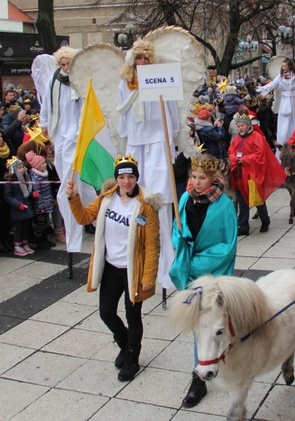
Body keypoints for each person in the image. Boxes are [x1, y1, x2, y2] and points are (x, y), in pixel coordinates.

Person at [67, 154, 161, 382]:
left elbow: (152, 244)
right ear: (116, 178)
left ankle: (132, 358)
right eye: (122, 176)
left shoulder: (146, 206)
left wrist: (148, 276)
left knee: (133, 315)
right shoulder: (106, 198)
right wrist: (74, 198)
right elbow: (84, 217)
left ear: (136, 178)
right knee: (106, 312)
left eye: (130, 177)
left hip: (133, 270)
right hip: (110, 267)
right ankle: (125, 342)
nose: (126, 181)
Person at [169, 154, 238, 408]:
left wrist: (193, 262)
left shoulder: (225, 206)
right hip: (190, 276)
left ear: (213, 179)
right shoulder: (185, 198)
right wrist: (180, 242)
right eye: (193, 177)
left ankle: (224, 368)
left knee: (215, 327)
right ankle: (199, 379)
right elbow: (177, 230)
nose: (196, 182)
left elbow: (227, 247)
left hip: (212, 276)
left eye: (202, 178)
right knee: (199, 329)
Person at [117, 39, 180, 292]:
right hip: (137, 143)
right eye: (138, 59)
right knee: (137, 202)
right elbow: (122, 115)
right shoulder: (125, 83)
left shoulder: (161, 78)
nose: (142, 63)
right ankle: (140, 262)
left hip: (158, 142)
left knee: (162, 202)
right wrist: (124, 139)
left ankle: (168, 268)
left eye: (146, 59)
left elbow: (172, 110)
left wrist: (173, 140)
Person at [40, 46, 94, 261]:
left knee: (76, 180)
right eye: (62, 64)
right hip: (60, 133)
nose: (65, 67)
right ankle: (74, 218)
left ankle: (82, 217)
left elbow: (87, 107)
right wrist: (44, 123)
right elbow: (46, 104)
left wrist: (83, 131)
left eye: (68, 63)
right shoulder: (53, 81)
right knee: (66, 178)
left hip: (77, 134)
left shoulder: (80, 80)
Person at [229, 113, 287, 236]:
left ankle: (265, 220)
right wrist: (235, 159)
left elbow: (260, 155)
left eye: (242, 125)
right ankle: (243, 226)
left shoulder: (257, 137)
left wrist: (244, 159)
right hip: (240, 175)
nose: (240, 128)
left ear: (248, 125)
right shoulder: (237, 139)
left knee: (258, 199)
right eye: (238, 126)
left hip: (253, 174)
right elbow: (231, 152)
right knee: (242, 200)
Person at [257, 58, 295, 154]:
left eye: (285, 66)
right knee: (284, 124)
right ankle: (282, 144)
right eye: (282, 66)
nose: (283, 68)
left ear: (290, 66)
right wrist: (261, 88)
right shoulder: (280, 76)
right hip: (285, 100)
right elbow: (273, 85)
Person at [4, 157, 35, 256]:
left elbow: (27, 189)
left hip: (26, 205)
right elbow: (7, 196)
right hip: (18, 207)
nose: (22, 169)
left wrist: (33, 193)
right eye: (19, 167)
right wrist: (18, 204)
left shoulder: (25, 178)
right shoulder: (10, 181)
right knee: (18, 227)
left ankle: (25, 243)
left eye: (23, 167)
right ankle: (17, 245)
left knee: (26, 226)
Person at [26, 150, 56, 249]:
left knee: (46, 222)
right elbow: (37, 192)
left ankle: (44, 238)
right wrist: (41, 204)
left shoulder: (44, 174)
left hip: (47, 202)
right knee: (40, 223)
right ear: (37, 166)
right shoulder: (36, 177)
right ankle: (40, 240)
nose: (45, 164)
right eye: (43, 163)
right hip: (41, 205)